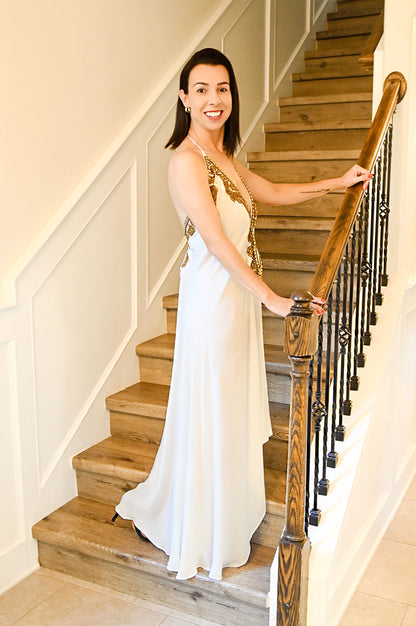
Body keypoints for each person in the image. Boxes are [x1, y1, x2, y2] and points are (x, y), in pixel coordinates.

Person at [112, 48, 372, 581]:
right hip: (212, 307)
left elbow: (272, 192)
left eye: (223, 89)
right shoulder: (185, 160)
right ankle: (199, 524)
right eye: (202, 89)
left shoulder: (224, 157)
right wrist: (274, 300)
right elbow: (216, 242)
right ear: (184, 99)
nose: (214, 99)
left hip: (232, 305)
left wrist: (337, 182)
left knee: (227, 410)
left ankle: (224, 512)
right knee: (213, 410)